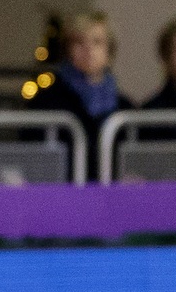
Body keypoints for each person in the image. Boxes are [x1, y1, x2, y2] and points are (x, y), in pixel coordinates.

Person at [26, 10, 132, 179]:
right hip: (65, 197)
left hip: (112, 199)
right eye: (79, 42)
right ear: (68, 50)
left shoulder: (125, 107)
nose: (88, 49)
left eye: (97, 42)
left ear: (109, 52)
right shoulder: (45, 102)